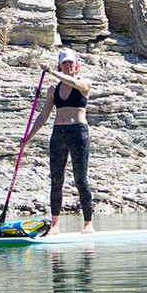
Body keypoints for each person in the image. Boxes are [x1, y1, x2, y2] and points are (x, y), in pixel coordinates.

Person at [22, 48, 94, 234]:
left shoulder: (84, 83)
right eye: (65, 63)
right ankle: (55, 225)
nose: (68, 65)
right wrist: (28, 137)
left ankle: (88, 224)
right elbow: (43, 115)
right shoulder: (53, 90)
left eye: (71, 62)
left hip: (79, 133)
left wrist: (52, 73)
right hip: (58, 133)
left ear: (76, 65)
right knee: (56, 179)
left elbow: (75, 83)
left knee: (81, 179)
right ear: (60, 65)